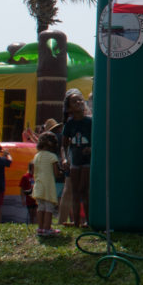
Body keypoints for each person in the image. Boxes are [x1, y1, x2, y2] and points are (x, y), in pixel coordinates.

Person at [59, 90, 93, 228]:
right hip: (74, 161)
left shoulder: (90, 122)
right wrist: (65, 159)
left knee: (85, 190)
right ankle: (76, 221)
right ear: (69, 108)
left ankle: (89, 221)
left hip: (87, 161)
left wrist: (91, 148)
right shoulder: (69, 125)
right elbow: (64, 145)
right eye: (75, 101)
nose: (79, 102)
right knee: (75, 192)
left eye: (80, 100)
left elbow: (98, 140)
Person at [31, 131, 62, 236]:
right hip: (48, 185)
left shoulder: (36, 156)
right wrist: (62, 171)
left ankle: (40, 228)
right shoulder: (52, 156)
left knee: (40, 207)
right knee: (49, 208)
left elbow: (34, 171)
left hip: (38, 184)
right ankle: (47, 228)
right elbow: (56, 173)